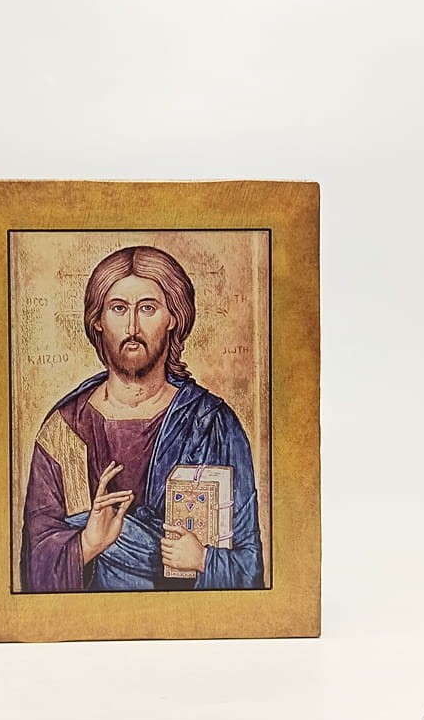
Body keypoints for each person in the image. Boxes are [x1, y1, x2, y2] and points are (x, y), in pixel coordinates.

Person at [20, 245, 264, 592]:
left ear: (173, 318)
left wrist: (203, 560)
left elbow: (250, 567)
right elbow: (35, 569)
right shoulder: (65, 430)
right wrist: (88, 544)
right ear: (98, 321)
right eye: (118, 308)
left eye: (148, 308)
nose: (132, 326)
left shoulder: (212, 425)